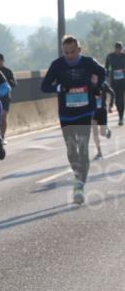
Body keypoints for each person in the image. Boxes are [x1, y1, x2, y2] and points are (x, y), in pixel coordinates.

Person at [41, 35, 106, 205]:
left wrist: (97, 87)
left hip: (85, 111)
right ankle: (78, 177)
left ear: (79, 50)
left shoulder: (88, 62)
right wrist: (60, 87)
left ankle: (79, 184)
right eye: (66, 52)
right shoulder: (57, 65)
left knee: (83, 147)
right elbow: (44, 86)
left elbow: (102, 72)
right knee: (71, 150)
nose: (69, 55)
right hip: (66, 114)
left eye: (72, 52)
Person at [0, 53, 17, 140]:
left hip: (6, 97)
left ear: (3, 61)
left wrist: (9, 83)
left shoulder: (8, 71)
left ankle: (2, 136)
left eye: (0, 61)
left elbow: (14, 83)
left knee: (3, 117)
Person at [92, 80, 114, 160]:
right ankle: (99, 152)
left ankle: (107, 131)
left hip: (102, 111)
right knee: (95, 133)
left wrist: (111, 105)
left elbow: (112, 92)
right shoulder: (88, 83)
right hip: (93, 112)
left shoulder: (103, 84)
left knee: (102, 133)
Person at [105, 41, 125, 126]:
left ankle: (121, 116)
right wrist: (107, 77)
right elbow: (106, 68)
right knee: (117, 99)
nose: (118, 50)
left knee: (122, 98)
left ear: (122, 49)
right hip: (114, 81)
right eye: (117, 49)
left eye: (120, 49)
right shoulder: (110, 57)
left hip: (123, 80)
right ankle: (120, 115)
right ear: (115, 49)